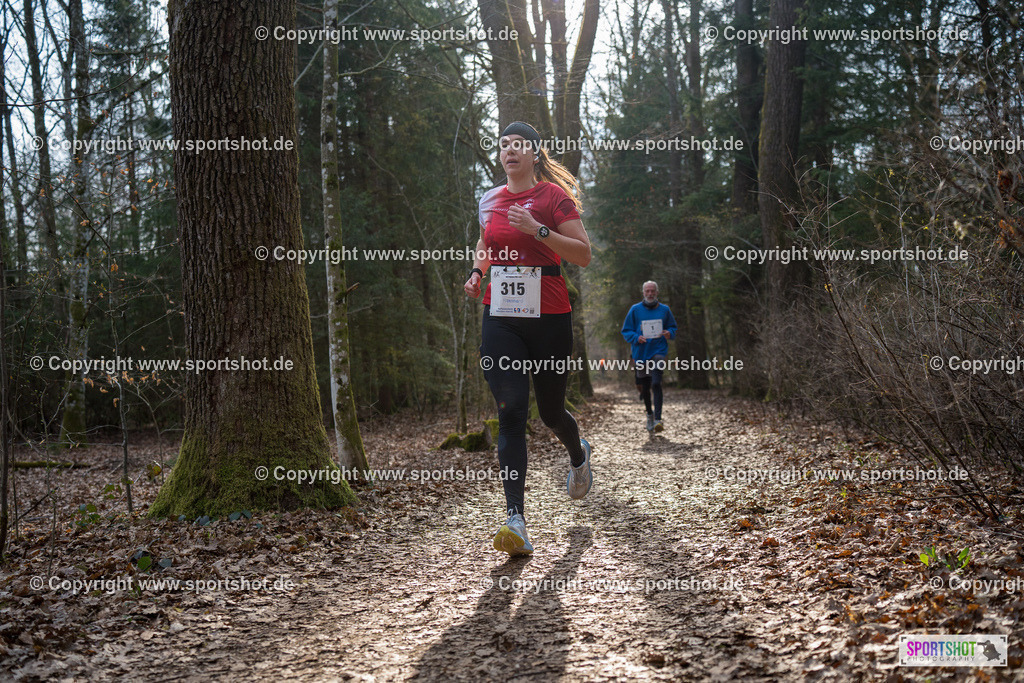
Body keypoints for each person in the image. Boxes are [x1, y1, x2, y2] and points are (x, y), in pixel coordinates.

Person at [463, 121, 593, 556]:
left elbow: (583, 254)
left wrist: (538, 229)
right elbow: (486, 242)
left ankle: (578, 453)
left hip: (550, 314)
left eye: (519, 145)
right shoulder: (489, 199)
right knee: (512, 411)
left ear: (535, 154)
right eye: (503, 145)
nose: (509, 151)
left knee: (552, 413)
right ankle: (515, 520)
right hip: (501, 315)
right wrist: (478, 273)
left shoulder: (554, 198)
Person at [621, 281, 677, 432]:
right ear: (643, 293)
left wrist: (669, 333)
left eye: (653, 291)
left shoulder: (665, 310)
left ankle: (658, 419)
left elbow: (673, 328)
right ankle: (650, 415)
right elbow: (626, 331)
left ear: (657, 292)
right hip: (641, 353)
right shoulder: (635, 310)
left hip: (658, 351)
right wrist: (636, 338)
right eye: (648, 291)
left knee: (656, 384)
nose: (650, 293)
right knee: (645, 388)